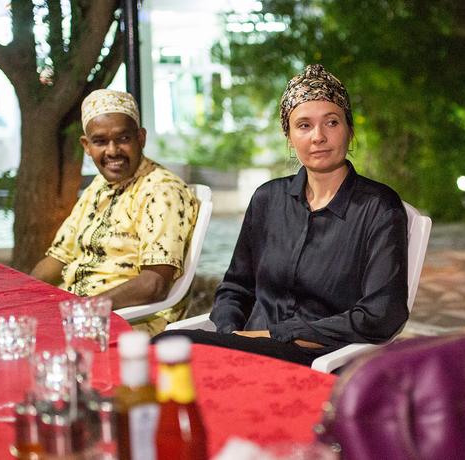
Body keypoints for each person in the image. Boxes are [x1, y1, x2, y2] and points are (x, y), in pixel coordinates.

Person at [153, 64, 409, 366]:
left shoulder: (379, 207)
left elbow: (382, 314)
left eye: (331, 122)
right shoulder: (267, 199)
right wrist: (229, 333)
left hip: (320, 358)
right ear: (288, 137)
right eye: (303, 125)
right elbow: (236, 287)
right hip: (246, 345)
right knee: (164, 347)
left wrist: (278, 335)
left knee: (170, 346)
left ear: (349, 130)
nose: (318, 137)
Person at [30, 89, 199, 334]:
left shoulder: (162, 191)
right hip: (76, 314)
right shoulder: (99, 186)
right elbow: (58, 258)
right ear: (86, 146)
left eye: (123, 139)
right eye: (100, 141)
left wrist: (84, 310)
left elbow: (155, 283)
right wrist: (22, 295)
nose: (112, 151)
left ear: (140, 138)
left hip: (130, 322)